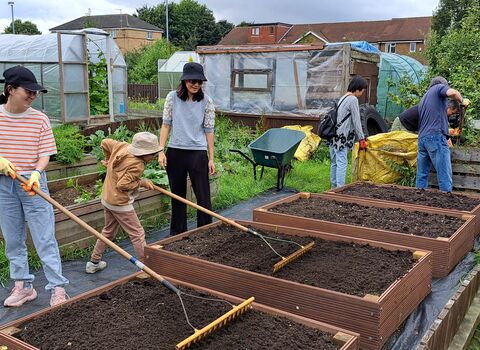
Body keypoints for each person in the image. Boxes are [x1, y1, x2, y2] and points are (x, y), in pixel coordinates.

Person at [0, 65, 69, 307]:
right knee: (13, 238)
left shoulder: (40, 119)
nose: (32, 96)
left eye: (35, 92)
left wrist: (37, 173)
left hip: (32, 183)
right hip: (3, 184)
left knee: (44, 237)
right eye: (28, 91)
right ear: (10, 90)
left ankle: (57, 287)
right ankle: (23, 286)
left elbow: (45, 153)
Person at [85, 132, 160, 273]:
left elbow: (105, 142)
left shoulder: (122, 146)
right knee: (137, 233)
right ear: (143, 153)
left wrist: (108, 160)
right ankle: (146, 267)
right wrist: (141, 182)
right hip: (120, 203)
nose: (153, 157)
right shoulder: (137, 165)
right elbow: (122, 184)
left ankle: (93, 262)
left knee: (108, 231)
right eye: (152, 154)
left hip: (107, 198)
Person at [159, 62, 215, 235]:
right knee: (178, 197)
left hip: (198, 154)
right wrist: (160, 151)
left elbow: (209, 130)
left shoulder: (207, 101)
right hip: (175, 152)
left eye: (199, 81)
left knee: (203, 197)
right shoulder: (171, 98)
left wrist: (211, 157)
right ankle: (177, 233)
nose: (196, 84)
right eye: (192, 81)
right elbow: (166, 125)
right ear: (184, 81)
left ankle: (205, 232)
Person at [415, 76, 469, 192]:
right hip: (435, 138)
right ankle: (447, 201)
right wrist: (462, 100)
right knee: (444, 172)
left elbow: (433, 118)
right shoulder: (438, 88)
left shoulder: (424, 98)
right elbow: (453, 93)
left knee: (422, 174)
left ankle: (418, 200)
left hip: (422, 139)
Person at [328, 75, 368, 188]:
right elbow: (356, 121)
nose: (362, 93)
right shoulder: (353, 99)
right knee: (342, 162)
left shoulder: (343, 98)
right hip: (342, 137)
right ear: (358, 88)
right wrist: (361, 138)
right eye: (363, 91)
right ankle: (340, 188)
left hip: (333, 134)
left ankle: (333, 187)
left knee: (335, 162)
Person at [390, 99, 461, 133]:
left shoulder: (440, 110)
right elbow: (432, 129)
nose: (452, 115)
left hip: (410, 127)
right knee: (396, 149)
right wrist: (448, 131)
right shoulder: (435, 110)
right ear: (448, 108)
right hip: (402, 124)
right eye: (452, 112)